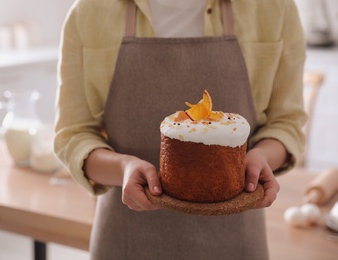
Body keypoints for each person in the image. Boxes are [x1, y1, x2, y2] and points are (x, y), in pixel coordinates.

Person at [54, 0, 307, 259]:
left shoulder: (273, 8)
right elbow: (73, 135)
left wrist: (261, 157)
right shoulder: (90, 12)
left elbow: (286, 123)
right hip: (128, 239)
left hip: (236, 241)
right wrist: (122, 168)